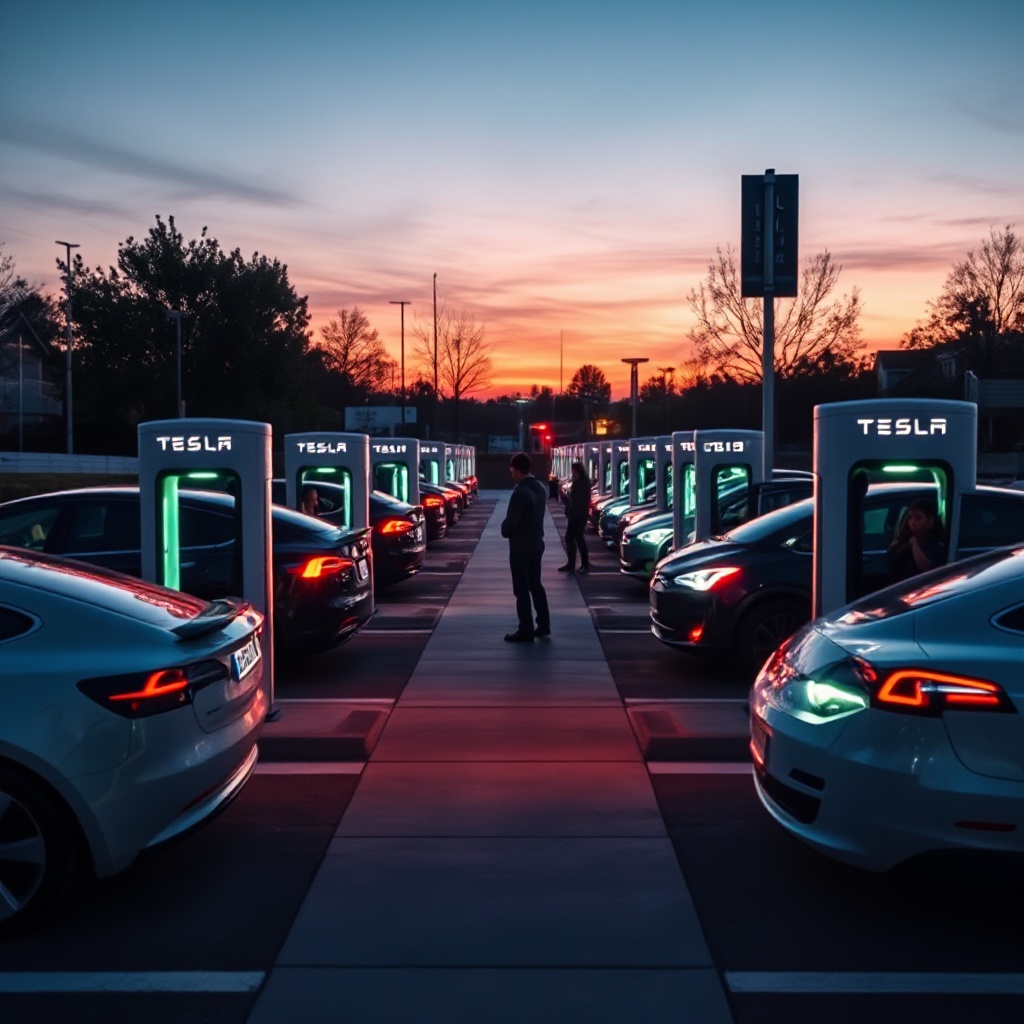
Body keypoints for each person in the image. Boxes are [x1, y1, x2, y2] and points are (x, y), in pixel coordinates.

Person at [500, 452, 551, 642]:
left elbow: (510, 524)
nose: (510, 472)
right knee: (535, 585)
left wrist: (504, 529)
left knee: (520, 589)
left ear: (517, 469)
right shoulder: (539, 488)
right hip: (537, 543)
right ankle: (543, 624)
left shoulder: (520, 492)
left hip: (521, 547)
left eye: (511, 469)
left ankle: (525, 628)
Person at [887, 497, 946, 582]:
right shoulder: (905, 538)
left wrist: (914, 543)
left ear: (930, 521)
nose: (912, 522)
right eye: (910, 517)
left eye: (918, 518)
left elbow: (926, 567)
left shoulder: (936, 543)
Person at [558, 461, 591, 575]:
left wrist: (568, 506)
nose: (573, 474)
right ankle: (574, 563)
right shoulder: (582, 483)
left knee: (577, 539)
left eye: (574, 471)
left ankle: (582, 564)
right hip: (577, 515)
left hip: (577, 516)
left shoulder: (580, 484)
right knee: (573, 538)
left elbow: (577, 502)